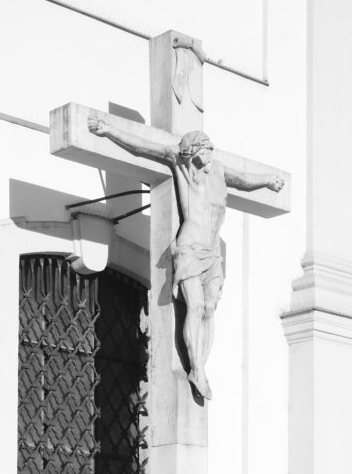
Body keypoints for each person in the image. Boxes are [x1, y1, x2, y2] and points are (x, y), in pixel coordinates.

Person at [87, 113, 284, 401]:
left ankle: (200, 366)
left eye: (209, 150)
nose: (208, 155)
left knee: (208, 310)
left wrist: (268, 180)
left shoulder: (218, 172)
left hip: (212, 252)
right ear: (191, 151)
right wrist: (110, 130)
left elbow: (244, 179)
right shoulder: (180, 165)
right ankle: (197, 369)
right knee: (195, 307)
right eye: (202, 150)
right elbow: (143, 146)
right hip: (190, 247)